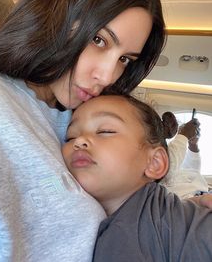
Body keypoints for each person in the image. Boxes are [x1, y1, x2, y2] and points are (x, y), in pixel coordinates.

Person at [0, 0, 166, 260]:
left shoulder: (80, 119)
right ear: (54, 14)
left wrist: (183, 214)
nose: (107, 76)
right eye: (99, 40)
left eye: (125, 60)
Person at [62, 94, 212, 262]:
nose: (79, 141)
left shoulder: (122, 238)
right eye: (70, 137)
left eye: (105, 131)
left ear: (154, 163)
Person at [162, 117, 208, 198]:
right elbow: (166, 172)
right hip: (191, 203)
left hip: (202, 195)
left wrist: (193, 145)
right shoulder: (159, 163)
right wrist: (183, 135)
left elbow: (192, 171)